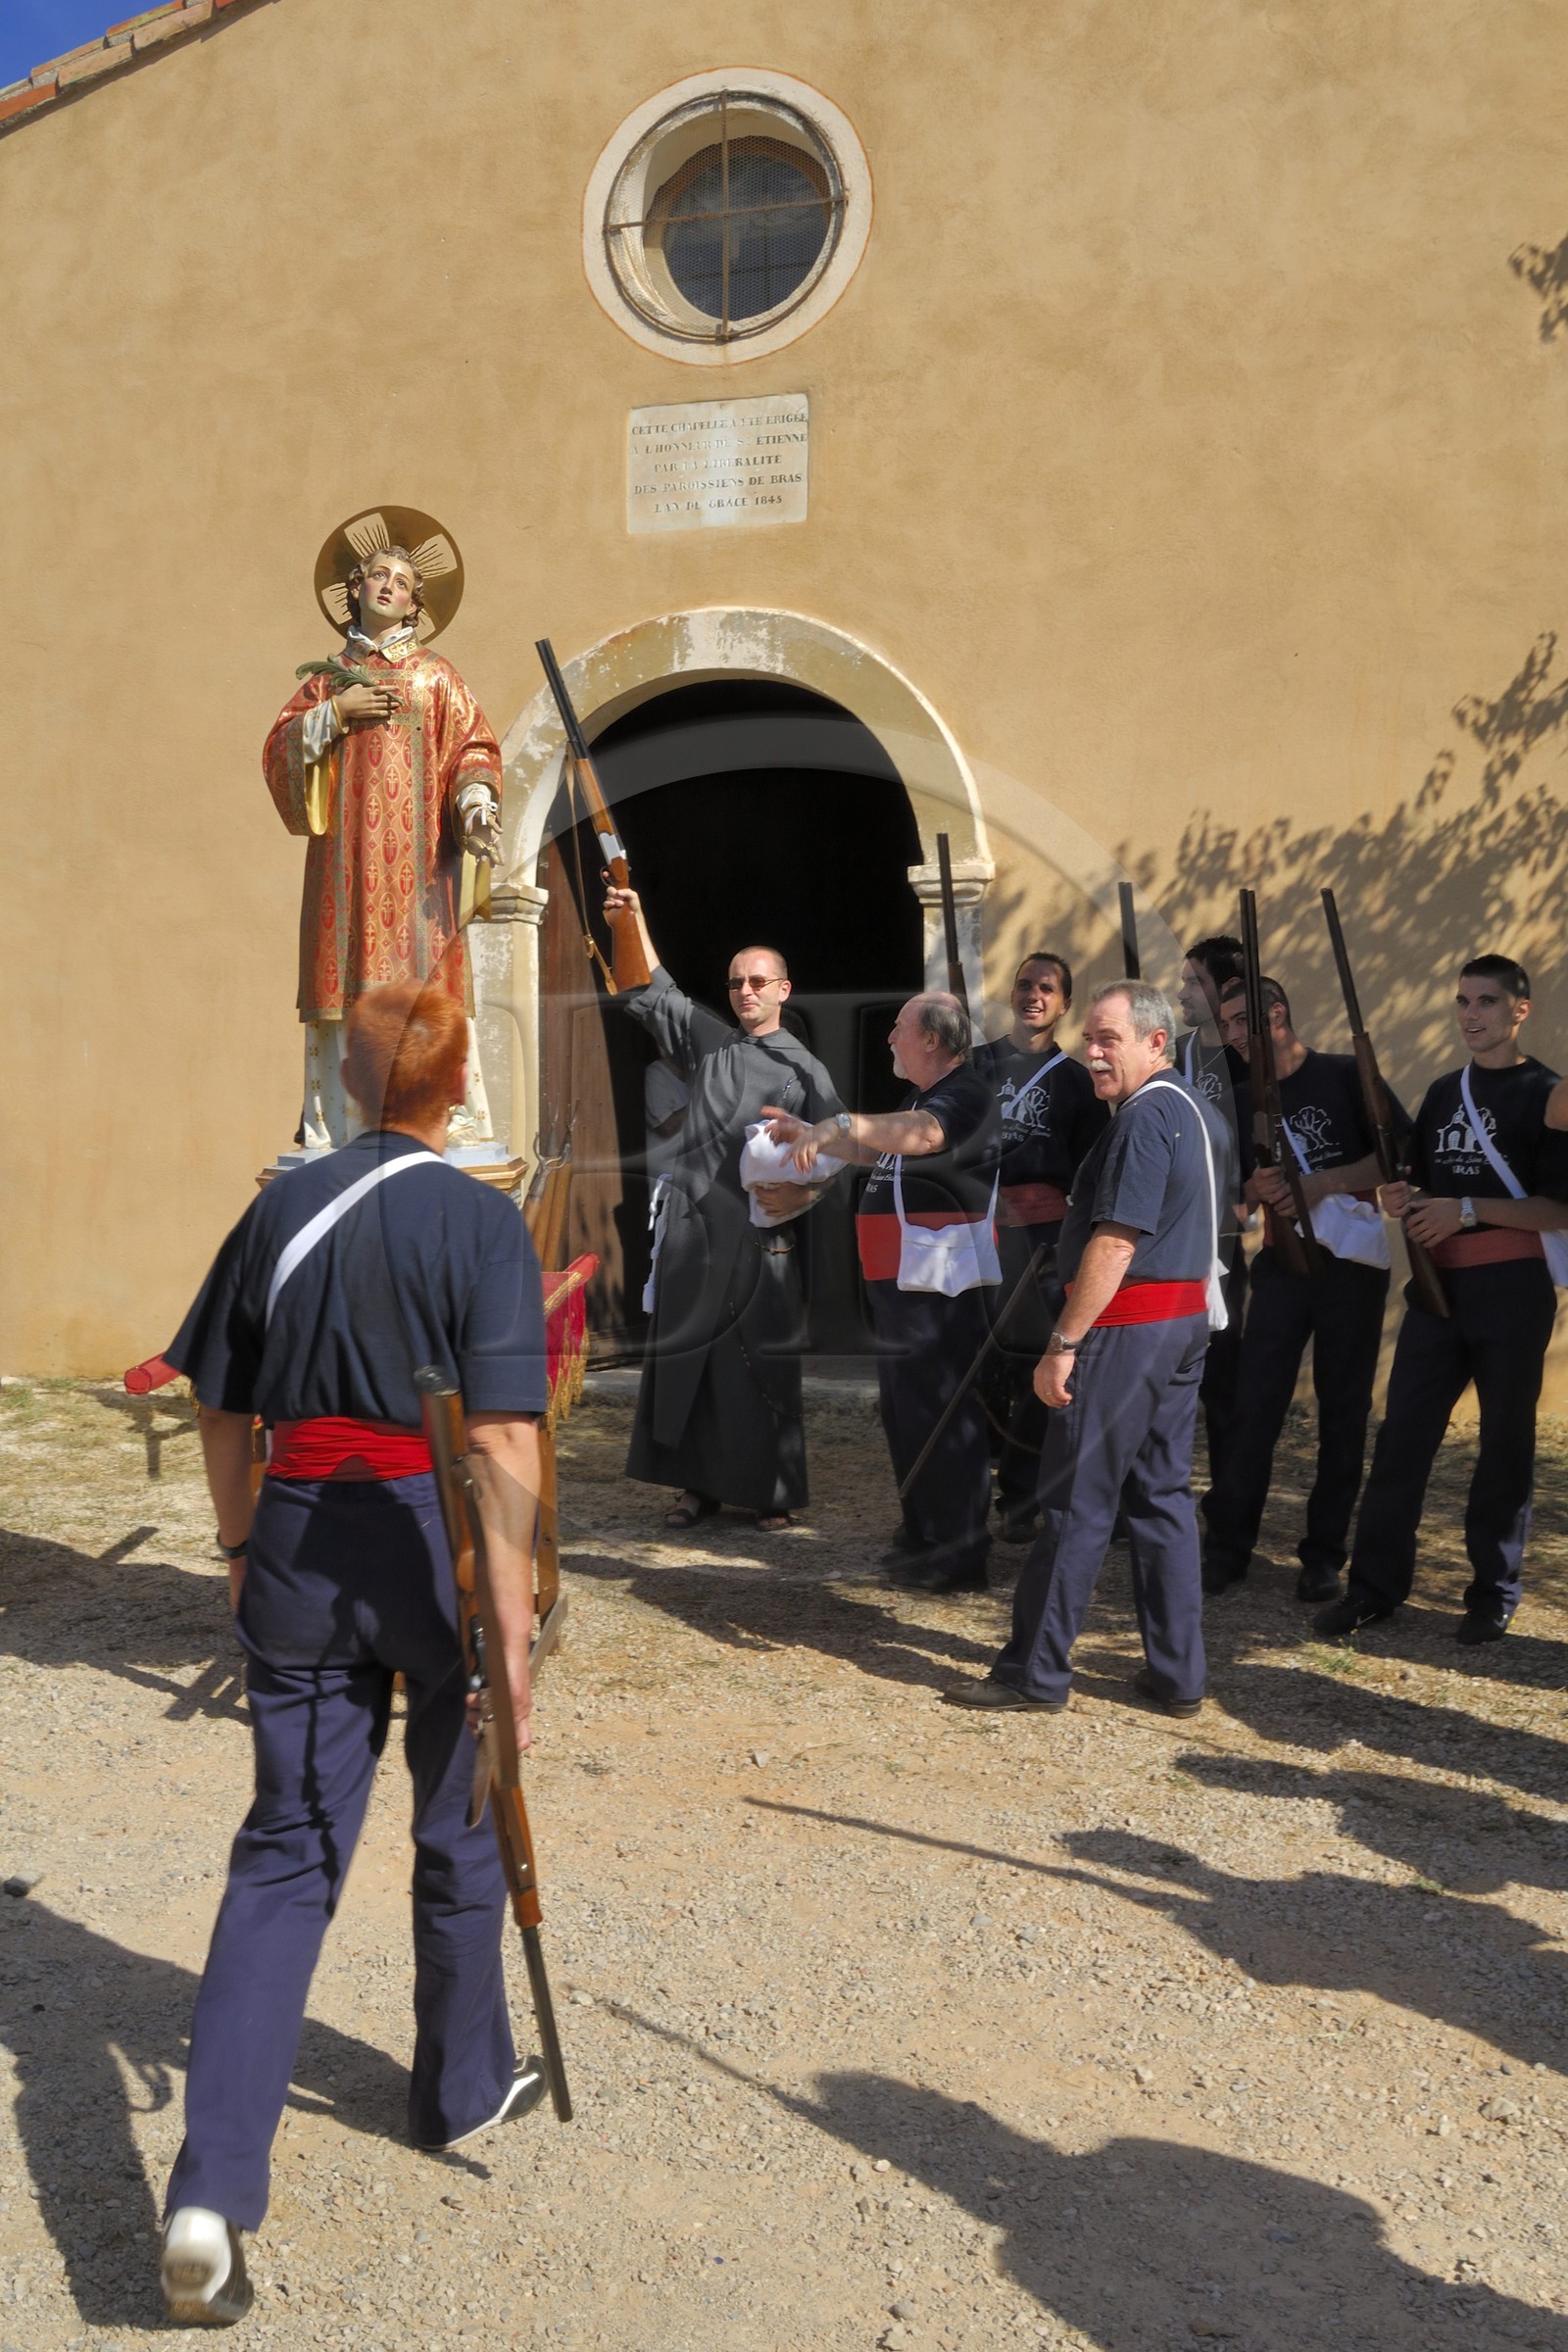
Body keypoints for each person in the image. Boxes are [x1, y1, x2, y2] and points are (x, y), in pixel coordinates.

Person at [155, 983, 548, 2328]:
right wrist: (511, 1630)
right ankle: (457, 2089)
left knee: (284, 1856)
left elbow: (218, 1398)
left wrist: (238, 1540)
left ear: (343, 1080)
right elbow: (501, 1448)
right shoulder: (483, 1223)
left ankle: (209, 2191)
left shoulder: (277, 1207)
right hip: (436, 1549)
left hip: (306, 1540)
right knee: (463, 1823)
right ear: (450, 1095)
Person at [943, 980, 1234, 1713]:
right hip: (1178, 1325)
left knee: (1077, 1501)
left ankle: (1032, 1672)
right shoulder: (1197, 1112)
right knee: (1162, 1498)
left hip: (1128, 1328)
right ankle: (1178, 1676)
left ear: (1157, 1043)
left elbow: (1116, 1239)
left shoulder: (1145, 1117)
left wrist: (1064, 1340)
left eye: (1109, 1039)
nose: (1092, 1053)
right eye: (1092, 1039)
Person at [1316, 955, 1568, 1643]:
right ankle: (1373, 1588)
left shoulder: (1546, 1094)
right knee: (1401, 1442)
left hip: (1510, 1291)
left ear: (1519, 1010)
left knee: (1504, 1446)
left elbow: (1556, 1209)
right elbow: (1418, 1186)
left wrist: (1461, 1208)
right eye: (1462, 1001)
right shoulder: (1441, 1091)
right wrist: (1400, 1198)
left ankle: (1492, 1592)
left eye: (1486, 1002)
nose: (1470, 1015)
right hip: (1437, 1290)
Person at [604, 886, 843, 1533]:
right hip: (693, 1234)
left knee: (757, 1365)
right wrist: (637, 921)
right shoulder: (711, 1044)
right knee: (691, 1364)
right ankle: (693, 1489)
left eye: (758, 981)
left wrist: (804, 1193)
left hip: (762, 1241)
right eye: (737, 982)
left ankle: (767, 1493)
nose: (744, 991)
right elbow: (659, 993)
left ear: (783, 990)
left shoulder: (807, 1071)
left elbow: (845, 1148)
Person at [265, 515, 504, 1150]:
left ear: (416, 603)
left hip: (421, 882)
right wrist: (334, 713)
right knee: (347, 1003)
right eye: (378, 574)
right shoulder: (325, 679)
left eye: (402, 580)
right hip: (345, 883)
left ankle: (444, 1125)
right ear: (355, 588)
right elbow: (279, 752)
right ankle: (341, 1130)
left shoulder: (436, 678)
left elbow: (473, 749)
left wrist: (477, 806)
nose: (389, 586)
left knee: (427, 1003)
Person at [770, 994, 1002, 1592]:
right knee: (906, 1410)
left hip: (937, 1285)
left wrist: (841, 1122)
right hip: (903, 1281)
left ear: (931, 1040)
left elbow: (923, 1138)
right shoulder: (921, 1094)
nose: (890, 1039)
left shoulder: (964, 1092)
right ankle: (923, 1532)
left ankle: (959, 1554)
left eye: (899, 1029)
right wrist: (815, 1135)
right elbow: (878, 1148)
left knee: (941, 1412)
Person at [1201, 973, 1400, 1604]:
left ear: (1277, 1016)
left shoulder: (1343, 1074)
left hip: (1352, 1269)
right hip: (1282, 1266)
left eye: (1241, 1023)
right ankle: (1229, 1546)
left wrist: (1323, 1183)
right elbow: (1226, 1196)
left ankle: (1323, 1556)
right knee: (1254, 1408)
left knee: (1343, 1412)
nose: (1232, 1036)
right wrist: (1251, 1192)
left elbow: (1397, 1157)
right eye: (1226, 1024)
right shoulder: (1236, 1096)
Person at [972, 953, 1108, 1543]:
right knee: (973, 1362)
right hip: (972, 1233)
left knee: (1033, 1364)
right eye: (1025, 984)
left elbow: (1090, 1174)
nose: (1033, 995)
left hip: (1040, 1243)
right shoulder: (974, 1066)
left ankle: (1021, 1495)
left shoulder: (1076, 1081)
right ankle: (965, 1490)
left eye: (1047, 988)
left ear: (1064, 1004)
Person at [1173, 934, 1250, 1494]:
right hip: (1166, 1237)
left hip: (1222, 1238)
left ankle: (1227, 1504)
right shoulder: (1169, 1053)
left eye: (1192, 982)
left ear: (1223, 989)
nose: (1180, 993)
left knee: (1223, 1382)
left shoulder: (1249, 1062)